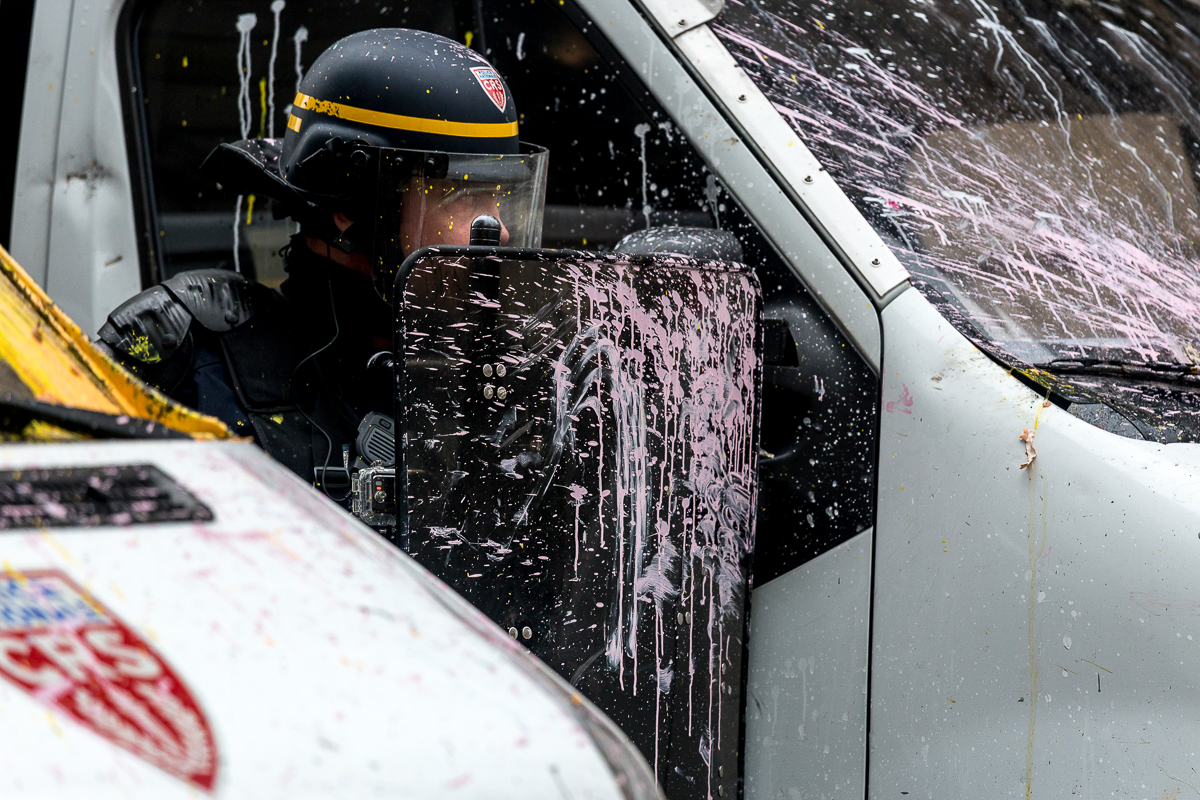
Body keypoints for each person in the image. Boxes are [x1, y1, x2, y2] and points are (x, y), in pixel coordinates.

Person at [94, 28, 549, 494]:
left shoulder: (508, 381)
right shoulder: (187, 367)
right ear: (350, 208)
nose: (502, 229)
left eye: (501, 196)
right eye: (463, 194)